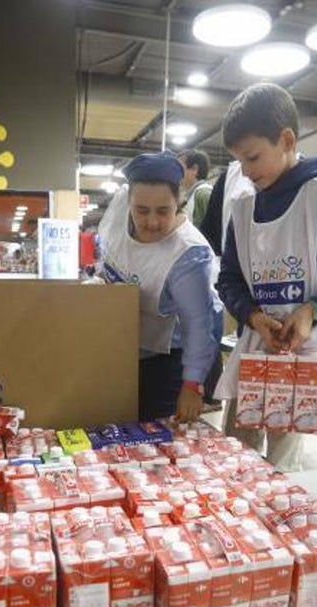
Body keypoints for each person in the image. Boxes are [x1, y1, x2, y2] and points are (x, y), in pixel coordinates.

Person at [215, 83, 317, 470]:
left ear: (287, 140)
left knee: (283, 465)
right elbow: (229, 280)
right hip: (254, 348)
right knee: (234, 454)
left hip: (301, 358)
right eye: (239, 161)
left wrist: (313, 310)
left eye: (253, 157)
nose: (246, 171)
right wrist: (252, 316)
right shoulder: (243, 209)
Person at [96, 152, 220, 423]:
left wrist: (192, 386)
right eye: (141, 211)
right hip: (118, 345)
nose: (152, 222)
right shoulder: (119, 212)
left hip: (164, 357)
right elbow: (102, 259)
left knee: (155, 433)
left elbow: (198, 326)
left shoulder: (188, 254)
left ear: (178, 203)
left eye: (163, 211)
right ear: (128, 201)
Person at [178, 150, 214, 228]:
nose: (176, 172)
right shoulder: (192, 195)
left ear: (194, 169)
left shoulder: (203, 193)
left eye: (179, 168)